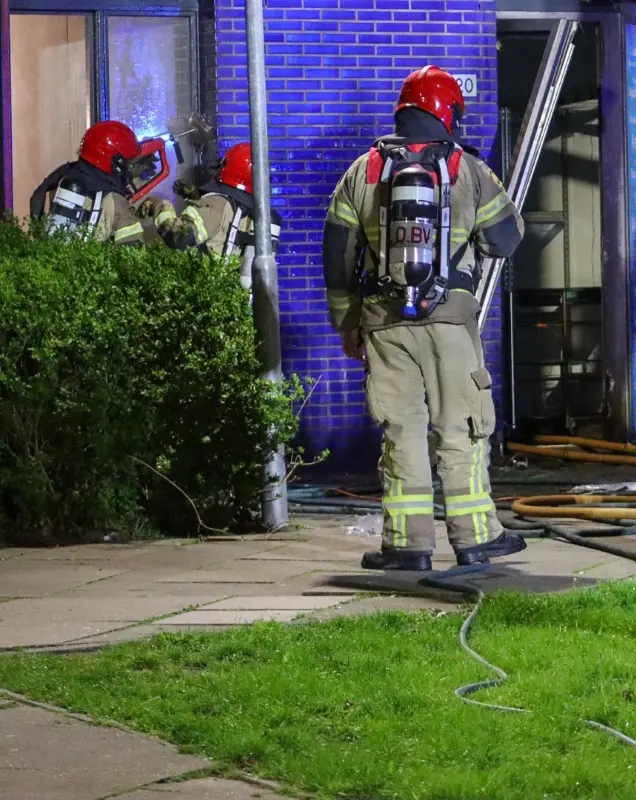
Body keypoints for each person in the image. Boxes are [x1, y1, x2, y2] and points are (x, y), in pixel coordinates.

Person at [322, 65, 527, 571]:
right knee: (461, 428)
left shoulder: (362, 171)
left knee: (402, 431)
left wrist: (347, 321)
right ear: (449, 113)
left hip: (383, 323)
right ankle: (476, 538)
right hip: (450, 323)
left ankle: (407, 545)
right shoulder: (467, 169)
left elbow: (336, 252)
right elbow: (506, 239)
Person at [136, 142, 280, 293]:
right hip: (230, 293)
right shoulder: (249, 208)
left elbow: (179, 236)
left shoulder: (217, 203)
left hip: (204, 292)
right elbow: (222, 231)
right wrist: (195, 198)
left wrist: (158, 205)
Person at [29, 120, 146, 245]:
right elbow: (133, 251)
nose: (129, 168)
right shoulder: (115, 200)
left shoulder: (65, 176)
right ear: (116, 163)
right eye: (128, 163)